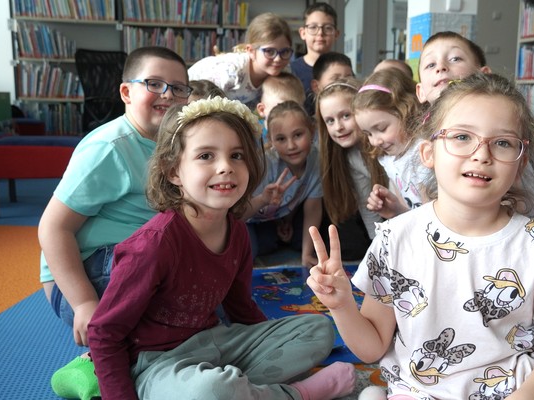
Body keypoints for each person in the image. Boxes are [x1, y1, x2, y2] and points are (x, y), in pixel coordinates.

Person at [308, 73, 534, 400]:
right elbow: (372, 348)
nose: (482, 154)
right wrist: (341, 306)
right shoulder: (395, 238)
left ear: (520, 163)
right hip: (417, 392)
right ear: (428, 153)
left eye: (502, 142)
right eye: (462, 137)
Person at [87, 97, 356, 400]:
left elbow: (241, 308)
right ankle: (296, 394)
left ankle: (234, 389)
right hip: (158, 364)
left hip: (218, 344)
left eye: (237, 155)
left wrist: (268, 342)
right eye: (206, 156)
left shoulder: (236, 231)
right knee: (210, 389)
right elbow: (104, 334)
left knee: (318, 330)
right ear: (173, 171)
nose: (226, 167)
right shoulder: (152, 245)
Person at [38, 46, 191, 399]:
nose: (168, 95)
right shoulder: (110, 147)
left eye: (179, 88)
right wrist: (83, 303)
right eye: (154, 83)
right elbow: (52, 228)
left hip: (141, 263)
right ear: (126, 92)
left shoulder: (175, 143)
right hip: (83, 277)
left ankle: (129, 358)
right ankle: (94, 364)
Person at [369, 31, 534, 240]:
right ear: (421, 92)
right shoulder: (428, 136)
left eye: (455, 59)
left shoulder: (502, 128)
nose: (441, 67)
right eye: (430, 64)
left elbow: (516, 209)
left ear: (484, 75)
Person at [244, 100, 322, 268]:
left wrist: (306, 254)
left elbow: (312, 207)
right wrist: (263, 199)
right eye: (281, 139)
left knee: (285, 241)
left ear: (312, 132)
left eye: (298, 135)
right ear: (271, 141)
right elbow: (237, 212)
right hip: (245, 217)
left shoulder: (316, 160)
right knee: (250, 252)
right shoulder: (265, 165)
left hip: (273, 218)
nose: (291, 146)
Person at [316, 77, 387, 259]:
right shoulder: (350, 158)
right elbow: (367, 206)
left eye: (346, 116)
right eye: (330, 121)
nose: (338, 127)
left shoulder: (385, 144)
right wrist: (379, 249)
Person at [353, 68, 426, 216]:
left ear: (406, 111)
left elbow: (431, 216)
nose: (375, 141)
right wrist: (394, 210)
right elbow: (410, 214)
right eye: (368, 134)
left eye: (381, 128)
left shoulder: (423, 154)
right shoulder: (390, 159)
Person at [188, 12, 293, 109]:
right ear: (251, 51)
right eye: (269, 51)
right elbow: (199, 102)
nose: (278, 59)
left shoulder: (283, 71)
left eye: (285, 51)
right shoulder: (231, 72)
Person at [291, 2, 340, 115]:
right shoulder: (292, 70)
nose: (320, 33)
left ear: (336, 34)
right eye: (313, 27)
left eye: (328, 28)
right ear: (303, 33)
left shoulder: (342, 69)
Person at [255, 71, 306, 141]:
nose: (288, 116)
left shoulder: (303, 130)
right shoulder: (253, 132)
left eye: (295, 109)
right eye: (279, 110)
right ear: (262, 110)